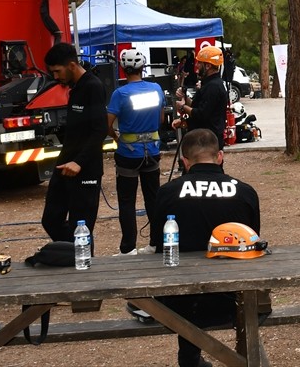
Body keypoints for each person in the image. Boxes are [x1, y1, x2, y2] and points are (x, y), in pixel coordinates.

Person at [151, 128, 261, 367]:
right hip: (235, 298)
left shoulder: (167, 193)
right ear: (219, 156)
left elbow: (159, 246)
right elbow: (253, 241)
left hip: (177, 304)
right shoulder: (245, 192)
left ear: (184, 161)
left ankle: (189, 358)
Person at [42, 42, 108, 247]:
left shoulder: (93, 86)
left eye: (57, 71)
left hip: (85, 169)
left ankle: (83, 264)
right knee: (50, 220)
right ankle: (70, 254)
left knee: (82, 227)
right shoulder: (75, 88)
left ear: (71, 65)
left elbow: (99, 130)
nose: (55, 77)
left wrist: (79, 162)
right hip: (65, 164)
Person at [107, 48, 165, 256]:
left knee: (127, 201)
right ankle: (156, 243)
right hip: (152, 152)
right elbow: (160, 120)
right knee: (153, 199)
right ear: (143, 67)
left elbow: (109, 124)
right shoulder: (156, 89)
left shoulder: (120, 94)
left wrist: (117, 137)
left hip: (128, 154)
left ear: (123, 69)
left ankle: (128, 248)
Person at [173, 45, 229, 149]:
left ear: (208, 66)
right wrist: (185, 97)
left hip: (208, 143)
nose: (196, 66)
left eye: (199, 63)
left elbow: (201, 114)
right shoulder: (209, 85)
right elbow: (196, 106)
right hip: (204, 140)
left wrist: (182, 107)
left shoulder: (213, 87)